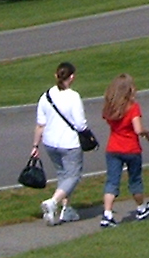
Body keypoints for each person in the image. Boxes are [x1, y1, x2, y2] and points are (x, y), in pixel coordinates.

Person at [32, 61, 88, 226]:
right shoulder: (73, 97)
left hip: (50, 143)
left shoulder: (46, 96)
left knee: (63, 176)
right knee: (73, 176)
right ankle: (53, 202)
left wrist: (35, 145)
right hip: (69, 143)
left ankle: (66, 209)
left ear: (56, 76)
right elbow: (80, 124)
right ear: (72, 77)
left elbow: (40, 124)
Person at [98, 73, 149, 226]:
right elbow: (137, 129)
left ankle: (107, 213)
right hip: (131, 149)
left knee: (112, 181)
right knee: (135, 180)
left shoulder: (111, 109)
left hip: (113, 148)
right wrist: (145, 132)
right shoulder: (133, 108)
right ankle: (141, 207)